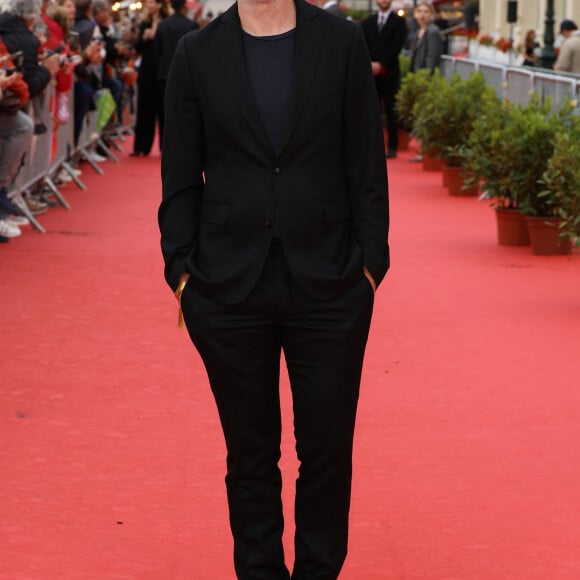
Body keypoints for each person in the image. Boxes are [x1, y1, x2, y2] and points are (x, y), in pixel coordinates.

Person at [158, 0, 389, 577]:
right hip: (227, 285)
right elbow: (180, 174)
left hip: (332, 282)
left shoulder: (341, 42)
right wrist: (181, 274)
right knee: (250, 457)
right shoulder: (196, 52)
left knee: (329, 451)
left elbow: (367, 160)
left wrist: (370, 268)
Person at [361, 0, 407, 159]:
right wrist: (370, 64)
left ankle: (393, 146)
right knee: (372, 112)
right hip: (370, 74)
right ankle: (373, 148)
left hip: (390, 73)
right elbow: (362, 45)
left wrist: (381, 64)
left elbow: (397, 46)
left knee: (391, 110)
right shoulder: (367, 22)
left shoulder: (399, 22)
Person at [131, 0, 168, 156]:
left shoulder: (168, 22)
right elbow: (137, 46)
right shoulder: (144, 22)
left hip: (163, 70)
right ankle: (141, 147)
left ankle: (165, 148)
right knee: (144, 107)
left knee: (164, 109)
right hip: (146, 69)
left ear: (159, 5)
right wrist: (145, 37)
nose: (148, 5)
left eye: (152, 2)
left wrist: (157, 33)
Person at [154, 0, 198, 125]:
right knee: (185, 116)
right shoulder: (191, 25)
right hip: (186, 77)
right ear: (184, 5)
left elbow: (157, 51)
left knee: (165, 115)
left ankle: (165, 143)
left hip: (164, 75)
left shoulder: (162, 25)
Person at [410, 1, 442, 73]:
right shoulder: (418, 30)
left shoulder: (433, 31)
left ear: (431, 15)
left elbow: (432, 58)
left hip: (424, 76)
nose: (422, 14)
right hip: (415, 73)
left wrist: (426, 77)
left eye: (426, 12)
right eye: (419, 11)